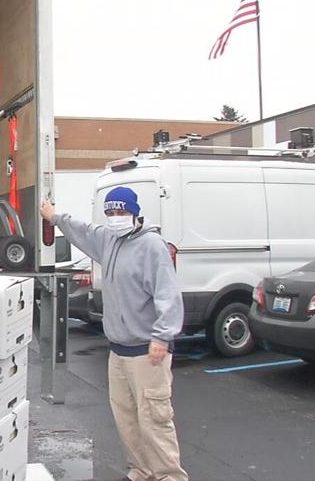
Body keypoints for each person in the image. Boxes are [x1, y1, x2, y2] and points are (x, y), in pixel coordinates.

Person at [41, 186, 188, 481]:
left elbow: (168, 294)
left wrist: (161, 337)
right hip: (118, 350)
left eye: (121, 212)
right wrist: (55, 217)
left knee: (154, 420)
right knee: (126, 419)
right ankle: (141, 471)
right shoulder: (108, 240)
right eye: (110, 212)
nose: (115, 217)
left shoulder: (152, 246)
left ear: (135, 213)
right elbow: (82, 230)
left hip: (148, 351)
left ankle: (169, 477)